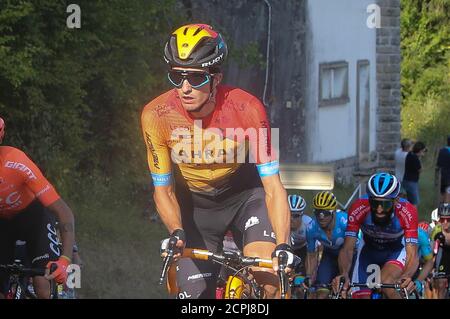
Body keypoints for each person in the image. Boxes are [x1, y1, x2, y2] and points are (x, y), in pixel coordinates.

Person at [141, 24, 292, 299]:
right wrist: (176, 231)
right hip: (196, 208)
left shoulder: (247, 109)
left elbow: (273, 187)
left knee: (269, 282)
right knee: (196, 296)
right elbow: (163, 189)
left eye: (196, 78)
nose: (184, 88)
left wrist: (283, 245)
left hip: (245, 197)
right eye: (176, 76)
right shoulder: (157, 115)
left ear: (216, 78)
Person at [0, 117, 75, 299]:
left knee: (42, 283)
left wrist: (65, 260)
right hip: (3, 225)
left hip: (34, 219)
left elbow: (64, 212)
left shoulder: (16, 162)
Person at [332, 172, 419, 299]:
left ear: (396, 201)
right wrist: (344, 273)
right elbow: (347, 249)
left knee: (386, 282)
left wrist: (406, 276)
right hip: (368, 251)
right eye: (374, 203)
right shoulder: (358, 208)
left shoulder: (408, 212)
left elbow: (412, 253)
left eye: (385, 204)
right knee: (360, 296)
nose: (379, 209)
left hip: (395, 251)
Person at [305, 191, 349, 299]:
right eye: (318, 212)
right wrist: (309, 277)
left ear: (333, 211)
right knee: (321, 293)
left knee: (346, 290)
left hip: (349, 255)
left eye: (326, 213)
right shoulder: (311, 227)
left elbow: (353, 248)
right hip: (329, 256)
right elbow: (311, 255)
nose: (321, 217)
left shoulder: (345, 222)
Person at [288, 194, 312, 275]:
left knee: (302, 274)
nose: (291, 219)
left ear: (302, 215)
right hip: (287, 248)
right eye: (289, 214)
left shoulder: (308, 224)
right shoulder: (280, 222)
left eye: (295, 216)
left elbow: (312, 253)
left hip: (303, 249)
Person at [430, 203, 450, 299]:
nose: (445, 222)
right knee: (441, 283)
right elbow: (432, 251)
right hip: (443, 257)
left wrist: (444, 238)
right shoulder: (435, 230)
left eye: (448, 219)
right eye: (442, 219)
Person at [403, 141, 427, 206]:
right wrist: (420, 159)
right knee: (414, 203)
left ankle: (407, 215)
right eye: (423, 151)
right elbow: (420, 169)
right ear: (420, 150)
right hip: (412, 182)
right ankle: (413, 216)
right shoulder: (415, 158)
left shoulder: (410, 154)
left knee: (408, 202)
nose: (423, 153)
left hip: (406, 180)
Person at [436, 136, 450, 203]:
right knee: (448, 192)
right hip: (448, 176)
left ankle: (441, 208)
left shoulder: (442, 150)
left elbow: (438, 163)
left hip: (442, 174)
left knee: (442, 192)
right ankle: (445, 210)